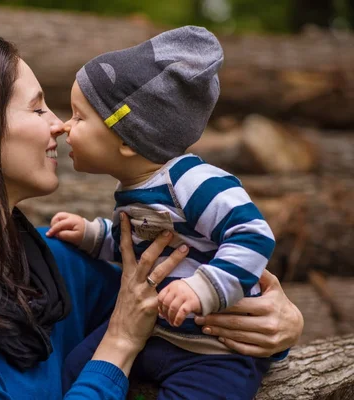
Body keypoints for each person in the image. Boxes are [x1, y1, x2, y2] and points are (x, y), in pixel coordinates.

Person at [0, 36, 303, 399]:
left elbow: (167, 292)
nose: (58, 125)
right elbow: (128, 322)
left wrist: (276, 320)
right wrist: (118, 347)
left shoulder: (53, 259)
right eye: (38, 106)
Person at [46, 27, 278, 399]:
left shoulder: (193, 182)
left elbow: (253, 234)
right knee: (75, 368)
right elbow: (142, 242)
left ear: (125, 138)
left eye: (78, 117)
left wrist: (201, 286)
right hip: (159, 333)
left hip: (215, 349)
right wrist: (94, 235)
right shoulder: (136, 187)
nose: (64, 127)